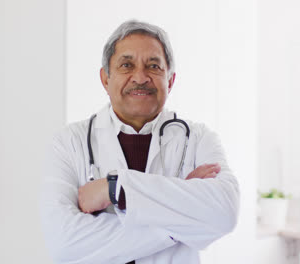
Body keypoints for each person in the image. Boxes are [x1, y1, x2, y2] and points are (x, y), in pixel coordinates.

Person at [40, 19, 240, 264]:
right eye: (127, 65)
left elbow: (225, 213)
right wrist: (182, 222)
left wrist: (114, 189)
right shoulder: (68, 142)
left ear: (170, 80)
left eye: (153, 66)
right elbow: (64, 244)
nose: (140, 77)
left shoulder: (199, 139)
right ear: (105, 79)